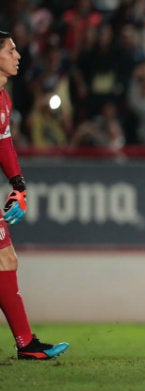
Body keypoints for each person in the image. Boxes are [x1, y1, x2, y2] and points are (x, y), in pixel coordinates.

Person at [0, 30, 69, 360]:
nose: (18, 56)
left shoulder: (4, 99)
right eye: (11, 50)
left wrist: (18, 184)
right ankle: (25, 343)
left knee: (6, 260)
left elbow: (4, 143)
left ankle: (26, 343)